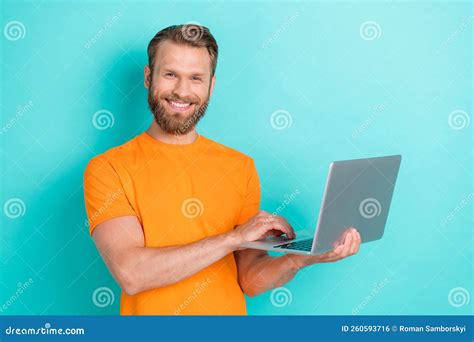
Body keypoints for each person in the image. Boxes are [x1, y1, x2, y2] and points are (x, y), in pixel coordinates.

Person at [83, 24, 361, 315]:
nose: (182, 91)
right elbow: (133, 274)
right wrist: (233, 238)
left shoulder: (239, 167)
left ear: (211, 86)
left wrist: (301, 258)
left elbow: (249, 280)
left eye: (195, 78)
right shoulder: (108, 168)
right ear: (148, 77)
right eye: (170, 74)